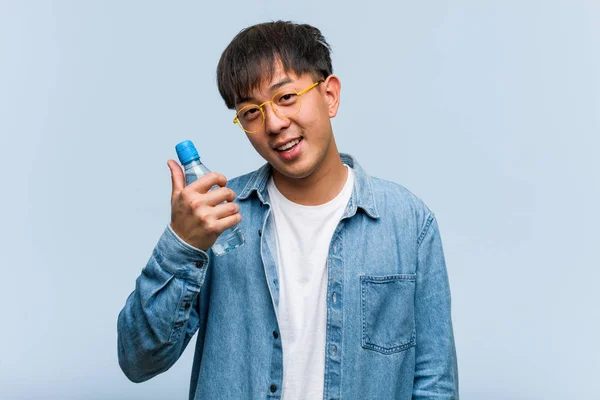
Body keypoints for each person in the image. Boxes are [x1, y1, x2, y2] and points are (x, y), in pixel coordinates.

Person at [118, 21, 459, 399]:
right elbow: (139, 361)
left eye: (286, 98)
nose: (275, 124)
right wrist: (182, 244)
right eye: (251, 112)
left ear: (329, 95)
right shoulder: (217, 218)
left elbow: (434, 382)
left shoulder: (407, 222)